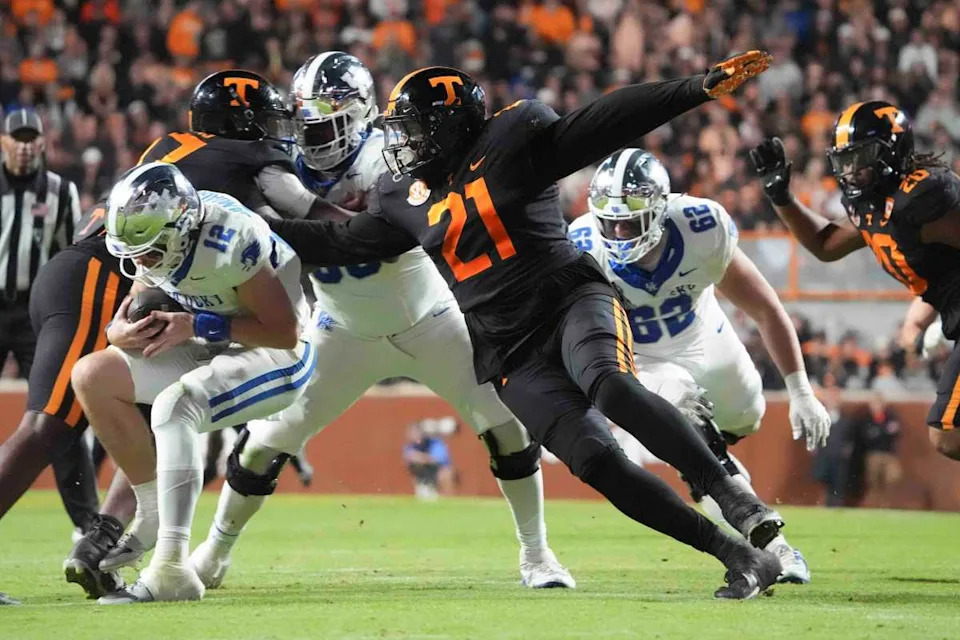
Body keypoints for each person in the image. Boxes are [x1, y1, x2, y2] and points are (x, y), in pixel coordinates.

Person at [268, 53, 791, 599]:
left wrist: (694, 89)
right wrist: (257, 227)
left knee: (610, 386)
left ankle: (735, 499)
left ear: (448, 127)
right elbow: (343, 243)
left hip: (566, 299)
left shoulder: (512, 138)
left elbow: (605, 119)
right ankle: (737, 556)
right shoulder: (403, 196)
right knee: (594, 461)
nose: (402, 144)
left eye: (414, 129)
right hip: (505, 347)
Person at [191, 52, 575, 592]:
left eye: (325, 116)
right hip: (342, 328)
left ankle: (537, 556)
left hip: (430, 317)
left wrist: (299, 209)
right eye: (306, 118)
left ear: (360, 111)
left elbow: (383, 235)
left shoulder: (393, 155)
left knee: (504, 423)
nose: (314, 129)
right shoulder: (277, 168)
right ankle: (213, 553)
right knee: (265, 439)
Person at [64, 69, 320, 599]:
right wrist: (119, 330)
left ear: (182, 224)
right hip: (210, 339)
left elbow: (282, 332)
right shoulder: (156, 239)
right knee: (92, 374)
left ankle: (172, 569)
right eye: (134, 253)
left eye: (152, 252)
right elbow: (134, 304)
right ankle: (154, 511)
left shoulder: (231, 238)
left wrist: (194, 322)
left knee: (175, 406)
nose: (143, 263)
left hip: (279, 355)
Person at [567, 148, 833, 583]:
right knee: (694, 441)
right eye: (609, 220)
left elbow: (765, 308)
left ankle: (709, 462)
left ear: (659, 209)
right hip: (646, 359)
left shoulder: (700, 227)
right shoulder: (582, 244)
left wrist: (801, 389)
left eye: (628, 220)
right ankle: (776, 549)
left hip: (706, 339)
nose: (617, 231)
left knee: (748, 415)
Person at [750, 100, 960, 462]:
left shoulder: (920, 198)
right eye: (844, 160)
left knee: (949, 436)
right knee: (948, 437)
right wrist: (782, 198)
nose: (851, 171)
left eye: (860, 158)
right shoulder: (875, 203)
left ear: (891, 152)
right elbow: (826, 244)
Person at [0, 108, 117, 560]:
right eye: (17, 138)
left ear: (44, 143)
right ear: (4, 142)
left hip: (38, 311)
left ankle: (87, 523)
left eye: (33, 137)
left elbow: (75, 252)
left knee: (62, 414)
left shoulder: (62, 191)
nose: (25, 145)